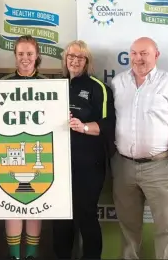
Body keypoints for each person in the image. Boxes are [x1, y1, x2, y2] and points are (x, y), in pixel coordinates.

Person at [110, 37, 168, 259]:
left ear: (156, 55)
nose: (138, 58)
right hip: (123, 165)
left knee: (165, 227)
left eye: (144, 53)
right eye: (134, 53)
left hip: (158, 166)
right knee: (128, 227)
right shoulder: (118, 83)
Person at [52, 40, 115, 260]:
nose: (75, 61)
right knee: (60, 218)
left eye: (80, 57)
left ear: (87, 61)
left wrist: (84, 127)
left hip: (89, 164)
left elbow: (108, 125)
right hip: (58, 165)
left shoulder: (99, 88)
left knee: (86, 215)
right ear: (65, 59)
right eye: (71, 56)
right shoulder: (54, 85)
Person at [0, 35, 47, 260]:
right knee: (12, 206)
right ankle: (14, 256)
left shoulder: (50, 85)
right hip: (10, 151)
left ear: (37, 55)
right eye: (21, 54)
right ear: (15, 55)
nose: (25, 58)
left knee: (35, 207)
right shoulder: (3, 83)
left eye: (29, 54)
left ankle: (30, 256)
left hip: (40, 151)